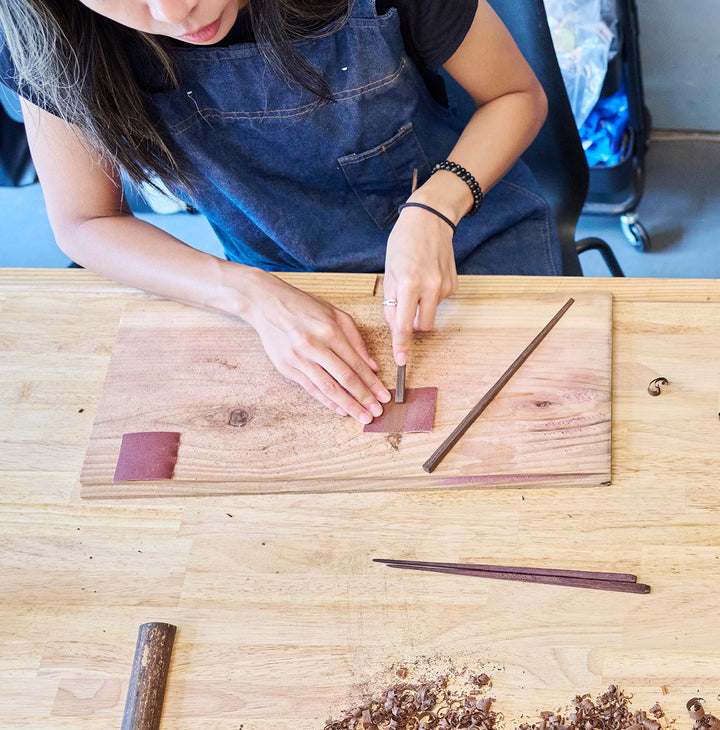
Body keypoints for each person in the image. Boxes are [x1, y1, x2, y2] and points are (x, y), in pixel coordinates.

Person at [0, 0, 560, 423]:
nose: (173, 12)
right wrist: (250, 296)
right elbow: (84, 224)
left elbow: (516, 96)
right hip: (276, 275)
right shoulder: (48, 31)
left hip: (470, 231)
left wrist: (435, 208)